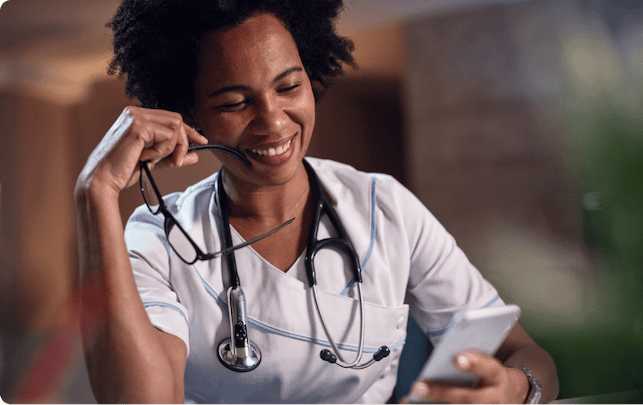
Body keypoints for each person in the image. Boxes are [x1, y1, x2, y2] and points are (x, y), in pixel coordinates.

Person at [74, 0, 559, 403]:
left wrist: (516, 389)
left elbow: (523, 353)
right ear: (188, 114)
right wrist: (94, 193)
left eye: (289, 86)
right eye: (235, 102)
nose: (274, 122)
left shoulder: (384, 207)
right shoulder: (159, 238)